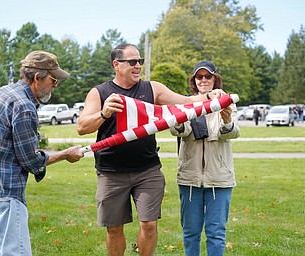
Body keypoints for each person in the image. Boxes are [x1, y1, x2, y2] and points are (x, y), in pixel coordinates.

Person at [77, 44, 225, 256]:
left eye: (140, 61)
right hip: (111, 172)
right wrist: (104, 113)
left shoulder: (152, 88)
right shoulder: (100, 92)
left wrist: (211, 96)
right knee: (114, 228)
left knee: (149, 224)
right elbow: (82, 127)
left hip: (147, 171)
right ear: (116, 65)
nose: (138, 66)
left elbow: (186, 102)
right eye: (132, 62)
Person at [0, 50, 84, 256]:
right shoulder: (24, 107)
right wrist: (66, 154)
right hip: (8, 194)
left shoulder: (3, 92)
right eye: (53, 80)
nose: (54, 87)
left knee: (2, 251)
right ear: (38, 77)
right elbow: (30, 161)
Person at [170, 60, 240, 256]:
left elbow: (232, 133)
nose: (203, 80)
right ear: (194, 81)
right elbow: (178, 131)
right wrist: (179, 119)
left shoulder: (226, 102)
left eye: (207, 76)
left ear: (215, 78)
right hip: (189, 178)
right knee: (190, 232)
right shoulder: (185, 103)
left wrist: (226, 120)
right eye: (199, 77)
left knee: (216, 233)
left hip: (220, 178)